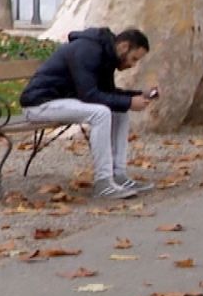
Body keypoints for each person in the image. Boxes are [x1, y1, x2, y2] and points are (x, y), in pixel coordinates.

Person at [19, 27, 156, 200]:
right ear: (123, 47)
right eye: (134, 58)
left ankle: (118, 175)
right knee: (101, 113)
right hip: (39, 104)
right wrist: (129, 102)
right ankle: (104, 183)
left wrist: (137, 95)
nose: (132, 65)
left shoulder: (106, 54)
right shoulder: (87, 50)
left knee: (119, 111)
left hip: (61, 101)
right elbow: (89, 95)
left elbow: (106, 93)